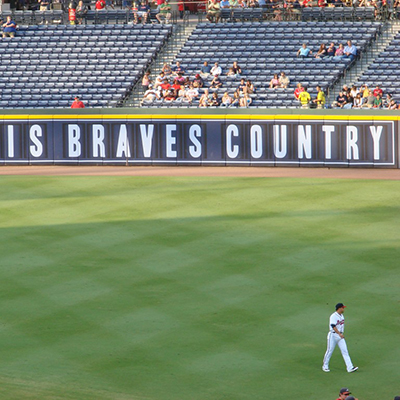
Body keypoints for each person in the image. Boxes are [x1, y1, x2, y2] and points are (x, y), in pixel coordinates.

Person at [322, 303, 358, 373]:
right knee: (329, 351)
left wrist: (340, 334)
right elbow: (333, 326)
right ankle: (325, 366)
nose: (343, 309)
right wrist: (339, 334)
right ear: (339, 308)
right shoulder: (333, 316)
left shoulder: (342, 316)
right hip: (333, 335)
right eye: (342, 308)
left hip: (340, 335)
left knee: (345, 351)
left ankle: (350, 367)